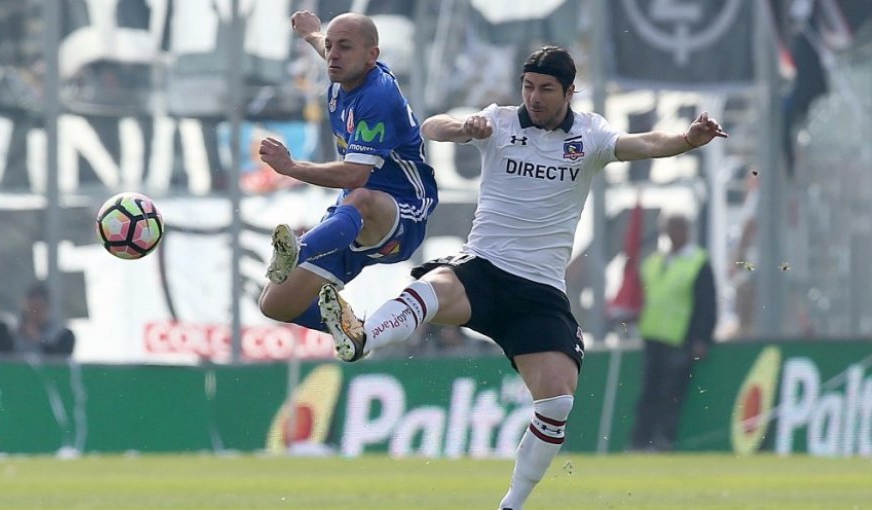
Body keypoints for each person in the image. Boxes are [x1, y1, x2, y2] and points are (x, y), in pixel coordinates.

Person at [317, 45, 727, 509]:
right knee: (434, 289)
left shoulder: (590, 135)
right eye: (528, 87)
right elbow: (431, 126)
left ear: (571, 91)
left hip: (540, 292)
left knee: (557, 405)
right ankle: (363, 337)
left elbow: (646, 143)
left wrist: (688, 139)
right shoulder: (501, 121)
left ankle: (512, 504)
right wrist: (464, 126)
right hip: (486, 268)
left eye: (546, 89)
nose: (534, 97)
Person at [257, 11, 437, 332]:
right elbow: (330, 50)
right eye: (330, 45)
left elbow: (355, 175)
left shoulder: (378, 96)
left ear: (373, 56)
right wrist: (311, 34)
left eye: (344, 46)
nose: (333, 55)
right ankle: (353, 331)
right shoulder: (344, 74)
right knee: (274, 303)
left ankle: (302, 249)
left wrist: (291, 167)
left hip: (402, 215)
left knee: (361, 197)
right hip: (352, 215)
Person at [630, 213, 717, 452]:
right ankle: (639, 441)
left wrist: (701, 339)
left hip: (680, 338)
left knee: (671, 394)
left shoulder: (697, 261)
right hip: (652, 336)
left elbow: (706, 304)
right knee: (648, 392)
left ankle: (662, 440)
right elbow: (641, 295)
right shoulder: (655, 261)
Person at [0, 282, 75, 358]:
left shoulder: (62, 335)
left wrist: (39, 340)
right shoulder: (12, 334)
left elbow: (60, 361)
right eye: (31, 309)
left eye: (39, 309)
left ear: (48, 308)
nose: (35, 313)